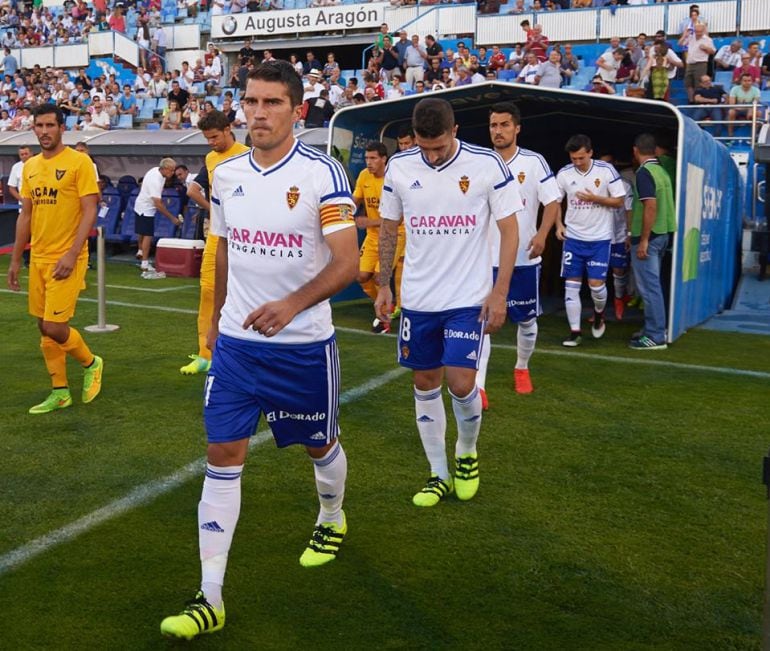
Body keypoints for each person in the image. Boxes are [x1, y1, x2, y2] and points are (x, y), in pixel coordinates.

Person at [160, 61, 358, 641]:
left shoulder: (324, 174)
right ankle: (210, 597)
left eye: (272, 103)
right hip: (238, 350)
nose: (259, 113)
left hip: (301, 347)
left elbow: (346, 262)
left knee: (320, 446)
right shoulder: (227, 176)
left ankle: (330, 515)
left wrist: (291, 305)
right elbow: (223, 250)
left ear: (297, 109)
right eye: (251, 101)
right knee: (222, 457)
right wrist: (218, 323)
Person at [374, 97, 521, 507]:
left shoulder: (487, 164)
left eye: (439, 146)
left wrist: (500, 291)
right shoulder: (401, 166)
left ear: (455, 130)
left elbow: (510, 232)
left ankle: (467, 453)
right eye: (425, 147)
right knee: (424, 382)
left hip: (467, 298)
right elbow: (389, 227)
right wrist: (385, 284)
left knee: (461, 383)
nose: (433, 155)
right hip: (419, 299)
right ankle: (437, 473)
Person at [6, 104, 103, 414]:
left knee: (54, 326)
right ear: (33, 129)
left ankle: (91, 362)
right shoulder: (30, 167)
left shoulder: (80, 162)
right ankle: (60, 391)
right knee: (42, 326)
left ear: (62, 127)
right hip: (39, 257)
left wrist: (73, 253)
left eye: (50, 125)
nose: (45, 131)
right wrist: (15, 259)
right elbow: (26, 215)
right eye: (40, 126)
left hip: (68, 257)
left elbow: (90, 209)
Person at [476, 102, 560, 403]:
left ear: (517, 128)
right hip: (485, 259)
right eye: (493, 126)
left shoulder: (534, 162)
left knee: (525, 320)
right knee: (482, 322)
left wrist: (542, 234)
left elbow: (552, 201)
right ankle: (480, 385)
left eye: (504, 125)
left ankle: (521, 368)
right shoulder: (481, 162)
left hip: (523, 258)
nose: (498, 131)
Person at [179, 110, 249, 376]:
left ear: (229, 129)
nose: (212, 142)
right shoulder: (210, 159)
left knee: (242, 294)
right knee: (208, 292)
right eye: (207, 138)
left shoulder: (247, 154)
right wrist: (213, 210)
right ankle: (204, 354)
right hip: (216, 236)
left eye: (215, 137)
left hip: (244, 237)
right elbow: (196, 189)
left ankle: (240, 354)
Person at [555, 134, 626, 347]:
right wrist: (559, 225)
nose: (577, 162)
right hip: (574, 239)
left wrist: (596, 198)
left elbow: (620, 201)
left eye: (581, 158)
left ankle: (598, 313)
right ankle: (574, 332)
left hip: (600, 239)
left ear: (590, 153)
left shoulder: (606, 171)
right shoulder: (564, 174)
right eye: (573, 159)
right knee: (571, 285)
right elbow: (555, 202)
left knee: (596, 286)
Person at [628, 133, 676, 350]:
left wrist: (644, 240)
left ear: (635, 151)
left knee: (649, 288)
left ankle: (655, 335)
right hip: (663, 234)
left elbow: (650, 206)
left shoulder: (645, 173)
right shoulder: (662, 172)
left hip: (649, 236)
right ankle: (653, 329)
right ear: (655, 150)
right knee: (653, 286)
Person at [352, 141, 405, 333]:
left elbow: (398, 219)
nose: (368, 162)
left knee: (378, 277)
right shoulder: (364, 176)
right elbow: (354, 200)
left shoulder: (393, 180)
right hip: (372, 237)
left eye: (373, 158)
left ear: (384, 159)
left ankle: (383, 320)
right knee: (360, 275)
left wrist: (370, 222)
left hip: (395, 235)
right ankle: (384, 306)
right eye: (366, 158)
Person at [134, 157, 181, 279]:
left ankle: (140, 251)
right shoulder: (155, 179)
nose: (172, 173)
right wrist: (172, 218)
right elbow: (157, 203)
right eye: (171, 170)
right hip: (146, 208)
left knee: (142, 232)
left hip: (140, 205)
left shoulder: (154, 170)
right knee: (148, 235)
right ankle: (144, 263)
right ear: (165, 169)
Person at [679, 22, 715, 103]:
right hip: (690, 64)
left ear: (703, 31)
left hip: (701, 64)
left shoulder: (708, 40)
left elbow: (713, 51)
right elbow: (680, 44)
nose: (698, 33)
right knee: (688, 83)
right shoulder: (691, 37)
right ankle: (691, 101)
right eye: (696, 31)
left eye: (700, 31)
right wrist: (685, 35)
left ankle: (698, 101)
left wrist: (706, 48)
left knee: (699, 84)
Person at [727, 73, 761, 139]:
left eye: (749, 80)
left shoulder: (756, 90)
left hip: (749, 109)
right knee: (731, 112)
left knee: (758, 113)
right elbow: (732, 104)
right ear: (741, 81)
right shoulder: (734, 89)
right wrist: (743, 108)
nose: (747, 82)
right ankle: (730, 135)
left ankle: (753, 136)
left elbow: (755, 103)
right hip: (737, 109)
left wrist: (750, 109)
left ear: (752, 81)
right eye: (745, 81)